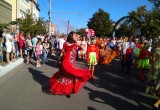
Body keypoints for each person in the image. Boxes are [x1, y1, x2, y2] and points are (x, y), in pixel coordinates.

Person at [49, 31, 91, 98]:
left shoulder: (72, 43)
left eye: (76, 36)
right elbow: (63, 52)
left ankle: (68, 90)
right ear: (71, 36)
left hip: (70, 62)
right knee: (66, 75)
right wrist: (59, 60)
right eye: (75, 35)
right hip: (67, 62)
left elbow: (82, 49)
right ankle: (67, 91)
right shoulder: (69, 43)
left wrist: (80, 45)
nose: (76, 36)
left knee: (68, 75)